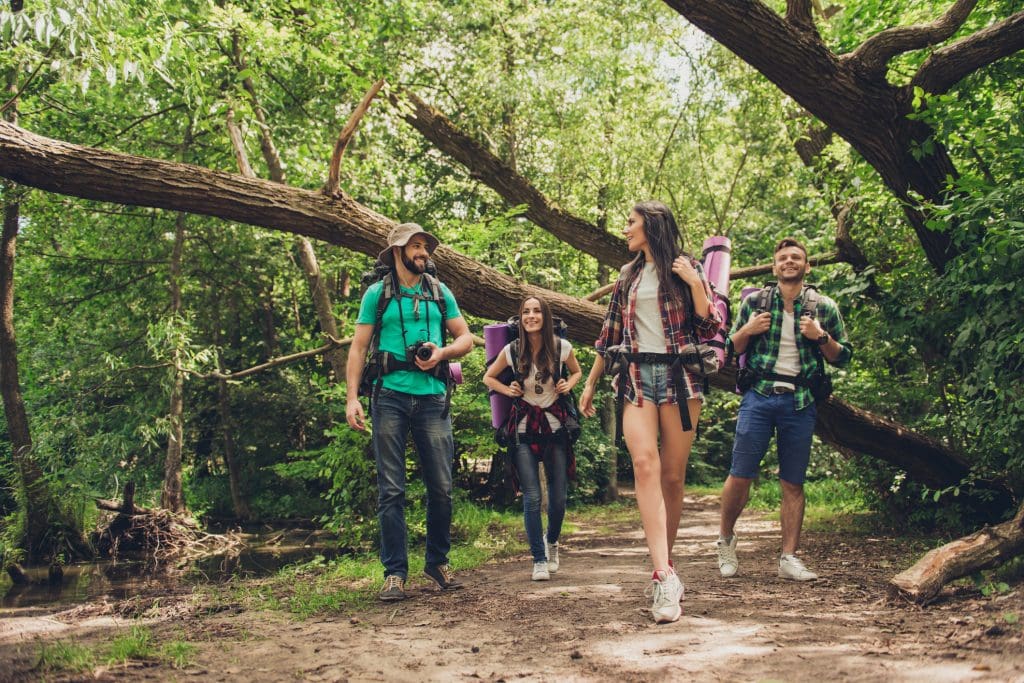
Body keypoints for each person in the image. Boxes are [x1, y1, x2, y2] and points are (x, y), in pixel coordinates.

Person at [580, 200, 722, 624]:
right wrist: (589, 383)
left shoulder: (686, 268)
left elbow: (711, 326)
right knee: (644, 464)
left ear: (652, 226)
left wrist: (696, 284)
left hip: (681, 382)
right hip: (636, 379)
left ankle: (668, 567)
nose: (626, 229)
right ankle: (662, 574)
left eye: (631, 222)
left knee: (672, 477)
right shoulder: (628, 276)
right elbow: (610, 336)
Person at [346, 223, 474, 601]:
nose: (423, 252)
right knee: (391, 489)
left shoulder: (439, 291)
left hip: (433, 397)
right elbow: (358, 348)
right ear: (398, 252)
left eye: (425, 247)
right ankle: (394, 574)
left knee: (442, 487)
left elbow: (465, 338)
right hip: (389, 398)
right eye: (415, 246)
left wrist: (443, 352)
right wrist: (352, 397)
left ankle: (437, 562)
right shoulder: (377, 294)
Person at [716, 237, 852, 582]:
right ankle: (725, 541)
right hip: (758, 397)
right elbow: (728, 349)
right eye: (782, 258)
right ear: (774, 267)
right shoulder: (755, 303)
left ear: (807, 267)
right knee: (740, 474)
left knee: (793, 482)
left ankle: (789, 557)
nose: (789, 262)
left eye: (796, 258)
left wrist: (821, 337)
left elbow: (843, 357)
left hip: (801, 402)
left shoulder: (824, 307)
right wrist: (748, 329)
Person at [483, 296, 583, 582]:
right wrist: (507, 389)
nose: (531, 316)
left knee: (559, 498)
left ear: (545, 316)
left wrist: (568, 383)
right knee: (531, 496)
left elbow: (576, 372)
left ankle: (552, 543)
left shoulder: (562, 347)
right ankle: (538, 559)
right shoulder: (512, 350)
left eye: (536, 311)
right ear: (521, 318)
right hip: (524, 429)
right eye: (526, 312)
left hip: (556, 428)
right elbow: (488, 378)